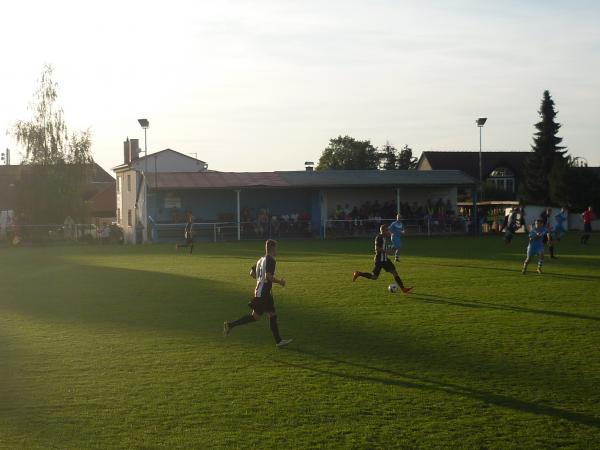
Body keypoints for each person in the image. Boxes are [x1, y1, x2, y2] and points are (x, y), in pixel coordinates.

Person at [223, 239, 292, 347]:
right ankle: (278, 341)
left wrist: (259, 279)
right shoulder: (271, 259)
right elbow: (268, 276)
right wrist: (280, 282)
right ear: (272, 248)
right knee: (264, 316)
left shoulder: (261, 259)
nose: (276, 250)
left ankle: (230, 325)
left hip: (261, 292)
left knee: (263, 316)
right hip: (263, 293)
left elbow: (251, 273)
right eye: (276, 248)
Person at [352, 224, 412, 293]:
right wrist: (387, 251)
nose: (388, 231)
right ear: (383, 230)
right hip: (380, 260)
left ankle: (403, 289)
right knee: (374, 277)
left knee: (394, 272)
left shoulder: (383, 237)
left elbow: (384, 246)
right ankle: (358, 273)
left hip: (385, 260)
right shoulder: (379, 238)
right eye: (387, 230)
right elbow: (377, 248)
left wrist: (391, 247)